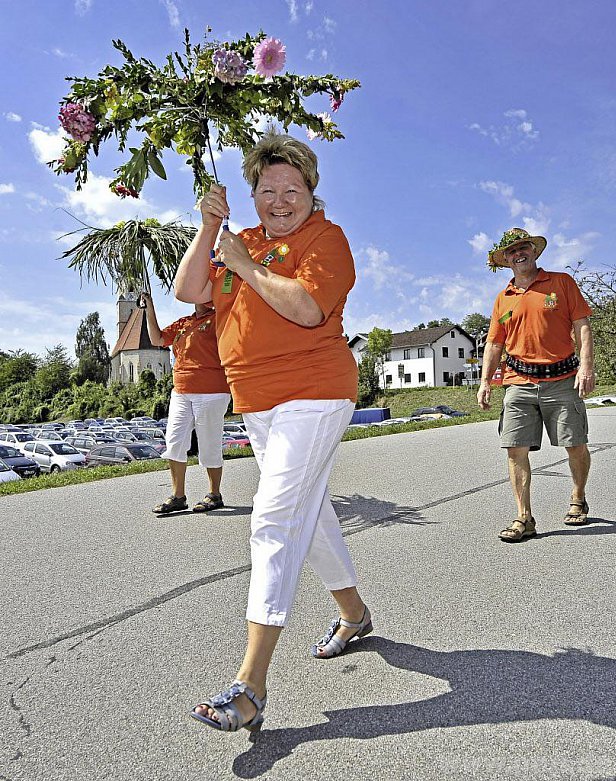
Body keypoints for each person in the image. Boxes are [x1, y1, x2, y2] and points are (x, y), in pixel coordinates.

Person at [174, 132, 371, 738]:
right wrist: (210, 228)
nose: (279, 200)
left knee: (275, 517)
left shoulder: (325, 240)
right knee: (312, 517)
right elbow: (188, 292)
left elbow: (308, 308)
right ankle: (356, 615)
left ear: (312, 193)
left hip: (316, 390)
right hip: (256, 401)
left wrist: (245, 264)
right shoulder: (243, 241)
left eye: (293, 189)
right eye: (267, 190)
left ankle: (250, 685)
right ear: (252, 195)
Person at [478, 227, 595, 542]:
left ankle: (578, 495)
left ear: (534, 251)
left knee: (575, 444)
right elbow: (494, 344)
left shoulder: (561, 283)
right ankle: (524, 517)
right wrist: (485, 381)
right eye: (512, 251)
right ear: (506, 260)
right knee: (514, 448)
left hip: (562, 380)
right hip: (518, 383)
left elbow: (582, 325)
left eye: (524, 247)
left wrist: (586, 366)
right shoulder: (503, 299)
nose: (519, 253)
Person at [142, 293, 230, 513]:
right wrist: (149, 307)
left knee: (209, 443)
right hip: (181, 391)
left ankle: (214, 494)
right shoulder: (184, 323)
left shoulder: (220, 318)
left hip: (212, 391)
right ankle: (178, 496)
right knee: (174, 442)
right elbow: (157, 339)